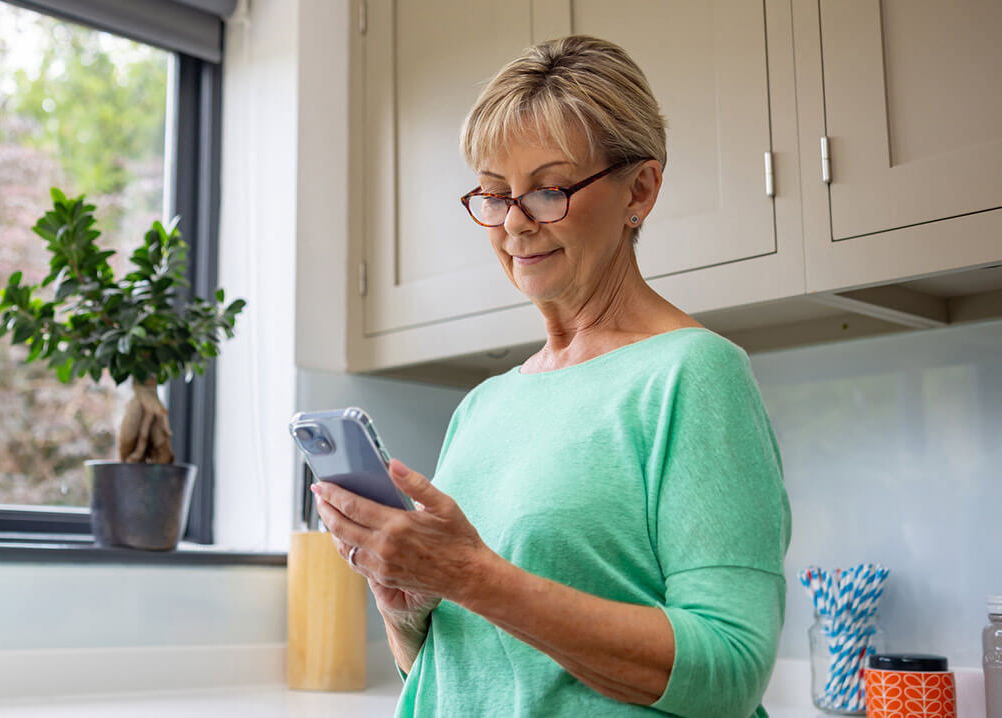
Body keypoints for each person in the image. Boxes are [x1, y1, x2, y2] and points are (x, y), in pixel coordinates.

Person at [310, 35, 791, 717]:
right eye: (494, 193)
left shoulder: (692, 374)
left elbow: (728, 670)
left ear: (640, 189)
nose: (512, 224)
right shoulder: (482, 406)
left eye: (547, 190)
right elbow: (453, 670)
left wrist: (473, 578)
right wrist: (407, 606)